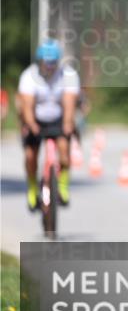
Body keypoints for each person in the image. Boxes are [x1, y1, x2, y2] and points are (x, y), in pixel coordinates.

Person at [18, 40, 79, 209]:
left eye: (53, 63)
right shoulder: (28, 76)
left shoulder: (68, 75)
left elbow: (69, 102)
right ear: (40, 62)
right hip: (36, 118)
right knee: (31, 156)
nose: (50, 67)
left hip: (58, 118)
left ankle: (63, 187)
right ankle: (32, 188)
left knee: (64, 153)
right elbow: (27, 105)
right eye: (46, 63)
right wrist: (31, 124)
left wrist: (68, 123)